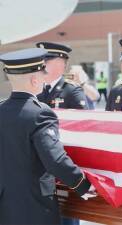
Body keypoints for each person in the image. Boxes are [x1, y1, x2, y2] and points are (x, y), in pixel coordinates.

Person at [0, 48, 92, 224]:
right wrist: (83, 184)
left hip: (5, 203)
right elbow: (55, 161)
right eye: (42, 74)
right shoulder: (40, 113)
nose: (44, 78)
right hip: (34, 206)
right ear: (35, 80)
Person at [36, 42, 88, 109]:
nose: (41, 64)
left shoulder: (72, 90)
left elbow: (83, 118)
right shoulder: (35, 88)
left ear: (61, 63)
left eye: (45, 60)